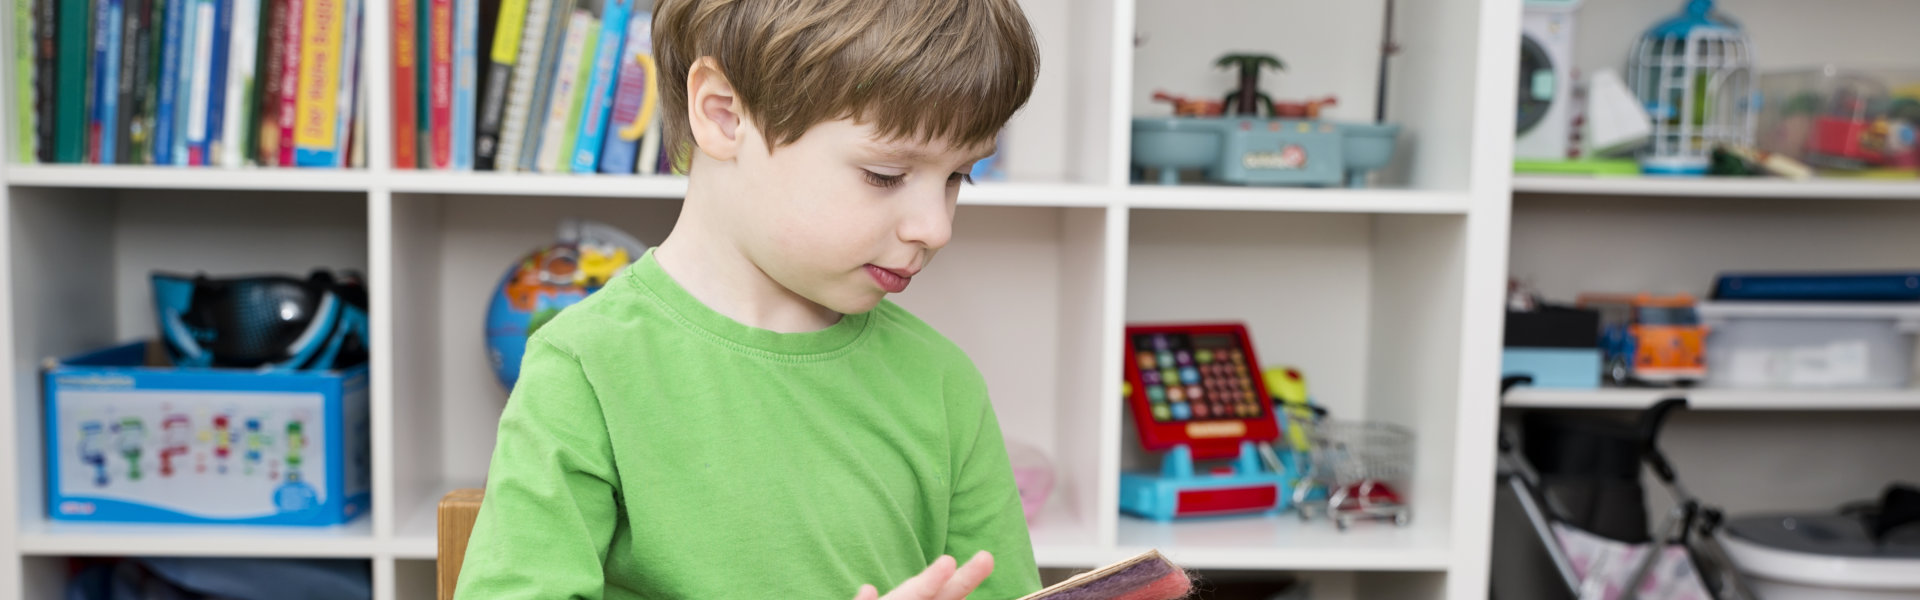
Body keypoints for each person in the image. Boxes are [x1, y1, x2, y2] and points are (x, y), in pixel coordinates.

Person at [454, 0, 1043, 597]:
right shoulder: (585, 368)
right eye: (886, 174)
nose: (934, 228)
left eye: (957, 177)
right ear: (724, 115)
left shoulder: (943, 383)